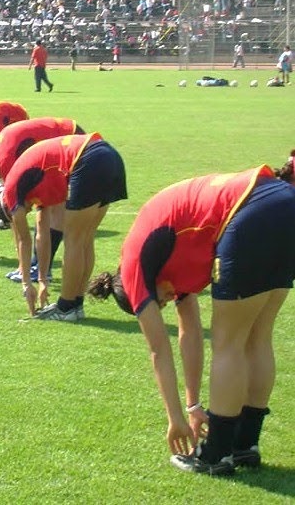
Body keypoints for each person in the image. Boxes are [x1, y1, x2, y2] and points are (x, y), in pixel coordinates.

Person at [87, 164, 295, 476]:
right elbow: (190, 333)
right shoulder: (170, 267)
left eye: (160, 300)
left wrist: (175, 419)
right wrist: (192, 405)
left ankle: (217, 454)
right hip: (283, 201)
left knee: (228, 344)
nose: (168, 300)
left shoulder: (135, 266)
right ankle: (244, 445)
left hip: (250, 211)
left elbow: (159, 350)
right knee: (258, 337)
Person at [1, 133, 127, 319]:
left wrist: (26, 284)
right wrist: (42, 281)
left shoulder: (12, 191)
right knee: (85, 238)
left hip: (89, 159)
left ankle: (66, 307)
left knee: (74, 239)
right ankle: (76, 304)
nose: (25, 213)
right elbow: (42, 233)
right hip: (109, 155)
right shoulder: (36, 182)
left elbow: (24, 240)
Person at [0, 117, 86, 282]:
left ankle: (42, 269)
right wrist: (22, 264)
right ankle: (35, 267)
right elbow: (15, 215)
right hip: (63, 144)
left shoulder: (6, 162)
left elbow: (17, 213)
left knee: (51, 208)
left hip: (72, 141)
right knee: (44, 210)